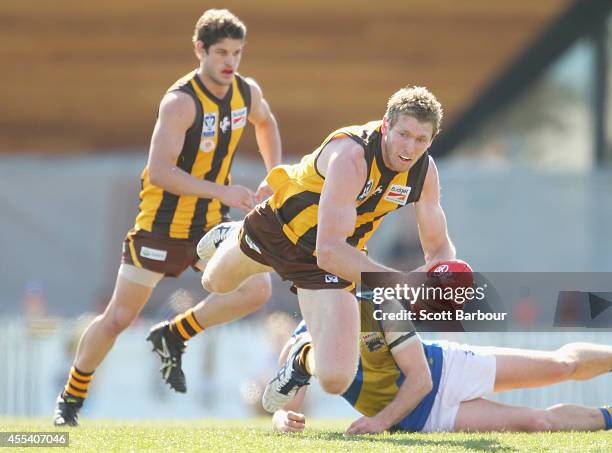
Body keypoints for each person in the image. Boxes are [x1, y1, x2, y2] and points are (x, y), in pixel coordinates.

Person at [53, 9, 282, 426]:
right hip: (160, 227)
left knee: (258, 289)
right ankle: (70, 398)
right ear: (200, 50)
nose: (230, 62)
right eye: (221, 53)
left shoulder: (246, 92)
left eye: (237, 53)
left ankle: (174, 333)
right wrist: (224, 191)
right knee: (118, 318)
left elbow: (266, 123)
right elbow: (160, 172)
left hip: (208, 225)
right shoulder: (180, 102)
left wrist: (275, 175)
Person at [179, 85, 455, 413]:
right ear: (386, 126)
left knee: (336, 377)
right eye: (404, 134)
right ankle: (233, 233)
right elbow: (329, 250)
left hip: (331, 259)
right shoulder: (352, 156)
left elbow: (438, 248)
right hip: (280, 229)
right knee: (215, 283)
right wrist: (399, 283)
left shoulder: (424, 173)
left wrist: (443, 277)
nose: (410, 148)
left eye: (421, 140)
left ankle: (299, 360)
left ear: (431, 141)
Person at [271, 309, 612, 434]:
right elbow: (283, 407)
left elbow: (421, 379)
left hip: (447, 369)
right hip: (422, 420)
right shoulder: (301, 341)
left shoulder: (379, 305)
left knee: (561, 366)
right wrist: (283, 420)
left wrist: (380, 422)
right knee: (539, 423)